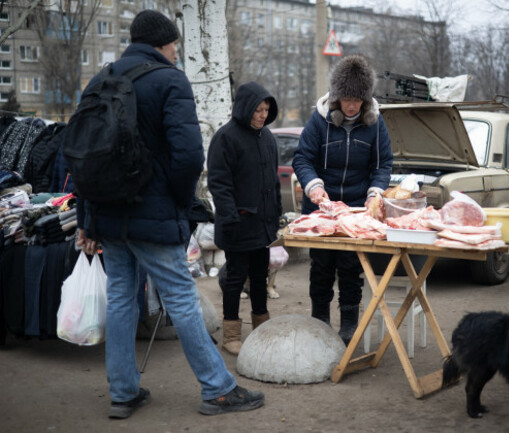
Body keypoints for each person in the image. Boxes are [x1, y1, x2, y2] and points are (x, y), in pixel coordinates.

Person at [75, 10, 264, 419]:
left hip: (109, 215)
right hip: (154, 216)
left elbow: (85, 160)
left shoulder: (100, 80)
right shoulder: (170, 80)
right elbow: (189, 156)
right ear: (163, 43)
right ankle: (218, 389)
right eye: (175, 44)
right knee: (181, 298)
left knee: (122, 299)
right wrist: (179, 206)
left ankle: (123, 392)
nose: (177, 51)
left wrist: (88, 219)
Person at [292, 54, 393, 345]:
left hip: (357, 210)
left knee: (351, 267)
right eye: (346, 98)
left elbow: (383, 164)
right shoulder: (319, 120)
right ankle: (320, 320)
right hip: (320, 207)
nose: (351, 105)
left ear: (365, 99)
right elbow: (303, 157)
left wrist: (375, 193)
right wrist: (313, 186)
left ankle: (349, 323)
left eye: (357, 100)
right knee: (321, 266)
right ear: (337, 97)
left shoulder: (375, 124)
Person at [207, 82, 281, 356]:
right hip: (238, 225)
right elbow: (218, 182)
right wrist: (230, 216)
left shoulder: (268, 137)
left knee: (261, 276)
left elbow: (272, 181)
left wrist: (275, 216)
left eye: (266, 110)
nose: (262, 115)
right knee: (235, 278)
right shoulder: (226, 137)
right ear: (245, 107)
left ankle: (261, 328)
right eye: (258, 109)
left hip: (263, 225)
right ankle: (231, 335)